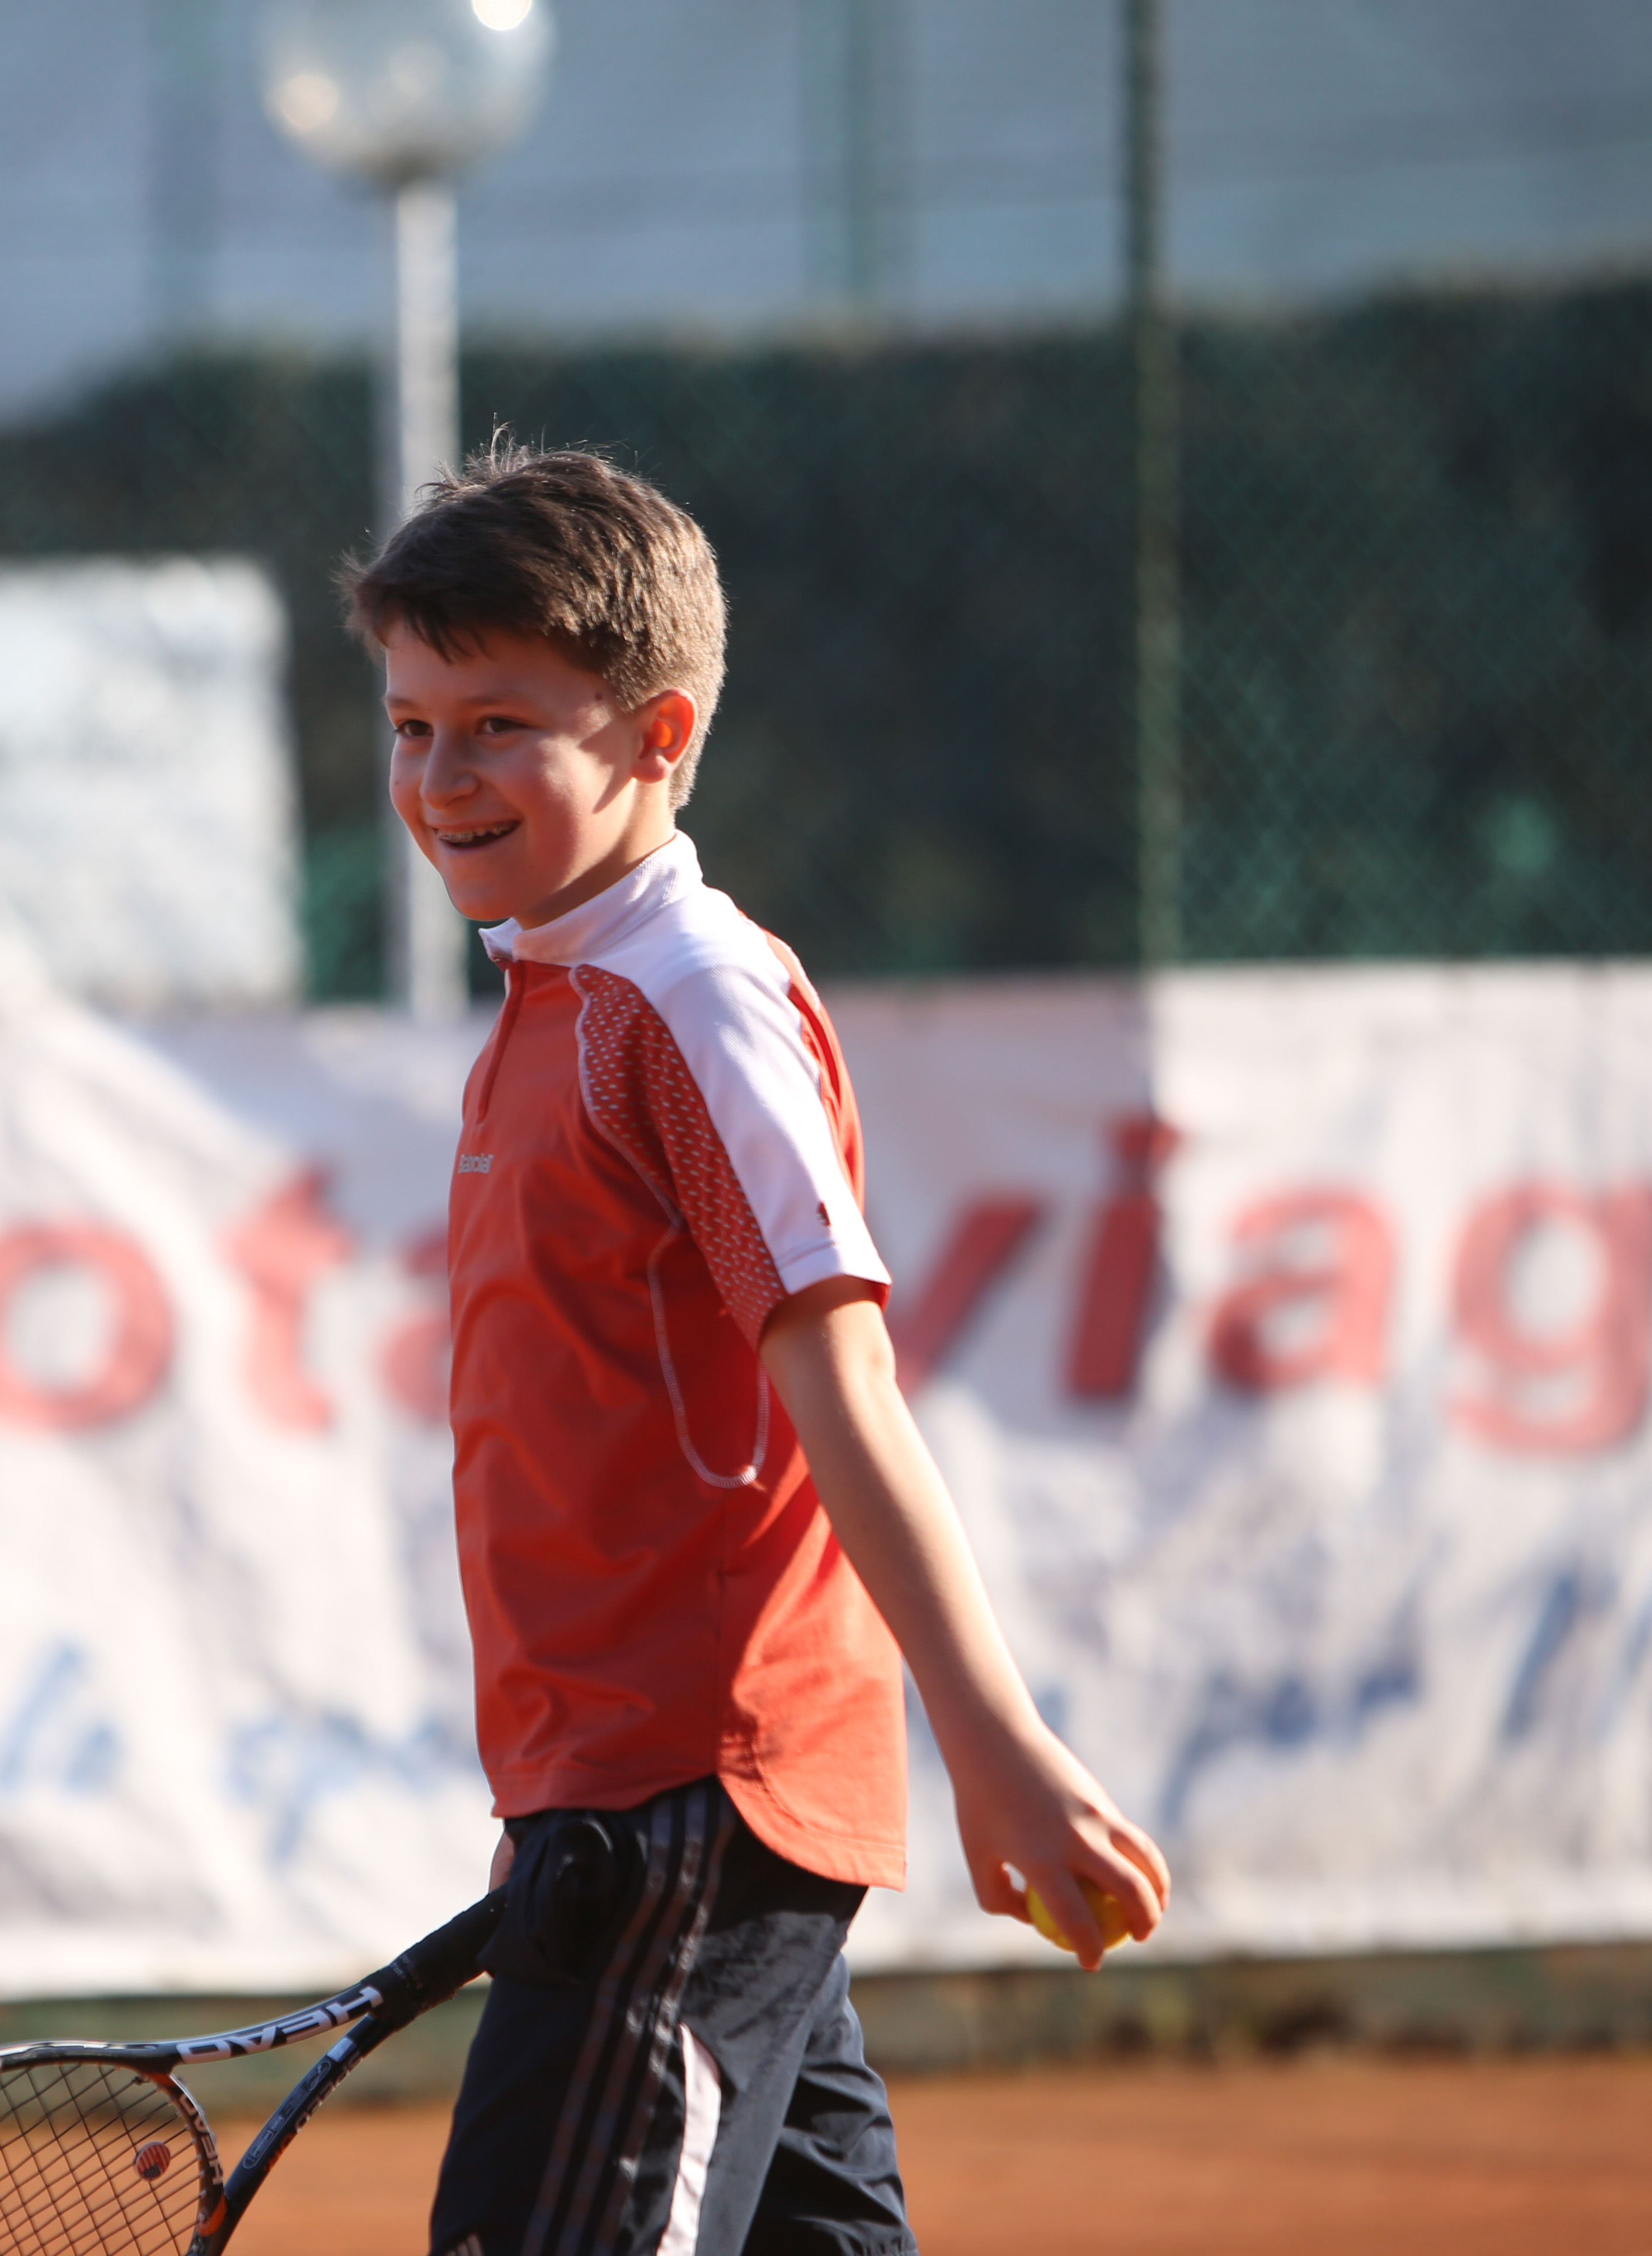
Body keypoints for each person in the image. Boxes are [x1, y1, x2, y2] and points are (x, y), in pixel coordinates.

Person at [352, 445, 1169, 2256]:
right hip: (631, 1801)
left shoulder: (685, 998)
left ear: (657, 736)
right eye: (412, 725)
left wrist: (995, 1735)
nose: (441, 775)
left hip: (690, 1797)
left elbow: (839, 1379)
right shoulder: (553, 990)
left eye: (499, 723)